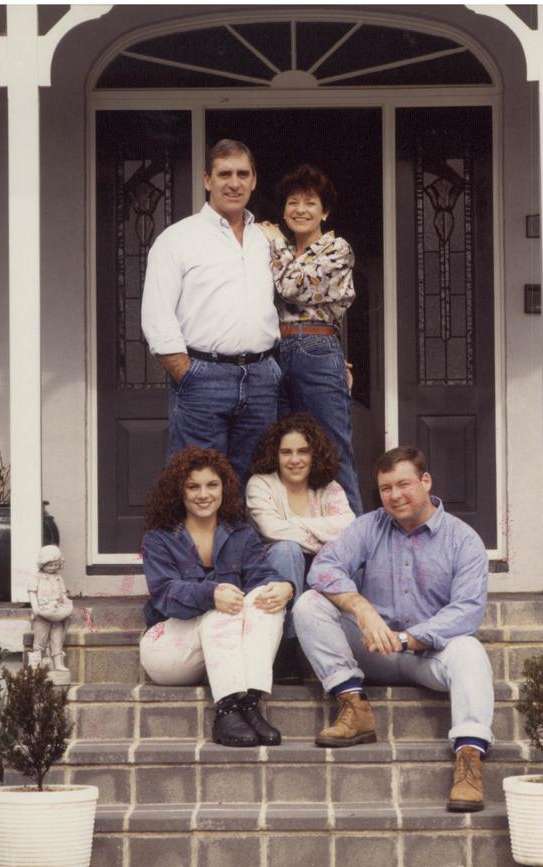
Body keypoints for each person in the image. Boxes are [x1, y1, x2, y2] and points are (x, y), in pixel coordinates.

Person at [293, 446, 494, 813]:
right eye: (386, 488)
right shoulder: (368, 526)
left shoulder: (463, 540)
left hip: (429, 655)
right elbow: (322, 569)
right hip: (374, 649)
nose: (395, 495)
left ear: (426, 481)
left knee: (470, 651)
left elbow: (466, 611)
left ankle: (468, 762)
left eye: (404, 484)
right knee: (310, 603)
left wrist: (408, 639)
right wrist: (362, 608)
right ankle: (354, 707)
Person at [141, 139, 281, 487]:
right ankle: (189, 545)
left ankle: (239, 545)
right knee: (195, 482)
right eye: (224, 174)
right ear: (207, 180)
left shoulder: (267, 239)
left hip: (262, 378)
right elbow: (156, 316)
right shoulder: (178, 239)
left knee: (255, 484)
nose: (234, 182)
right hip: (202, 376)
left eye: (242, 174)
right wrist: (186, 373)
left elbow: (295, 300)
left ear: (254, 180)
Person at [139, 447, 294, 747]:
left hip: (221, 648)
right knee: (219, 605)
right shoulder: (159, 538)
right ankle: (225, 711)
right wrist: (211, 594)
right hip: (170, 650)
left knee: (266, 598)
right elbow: (165, 594)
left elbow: (262, 575)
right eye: (193, 486)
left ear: (224, 488)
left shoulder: (240, 534)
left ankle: (248, 703)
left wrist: (285, 587)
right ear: (179, 492)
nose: (203, 494)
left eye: (212, 485)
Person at [259, 165, 363, 515]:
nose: (300, 210)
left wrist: (273, 241)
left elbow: (293, 286)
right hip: (274, 354)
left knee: (333, 451)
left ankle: (355, 555)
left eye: (309, 202)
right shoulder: (278, 251)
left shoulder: (336, 248)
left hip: (316, 350)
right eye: (292, 202)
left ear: (325, 211)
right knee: (283, 453)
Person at [246, 413, 355, 677]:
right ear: (276, 455)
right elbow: (270, 529)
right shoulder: (261, 484)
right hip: (275, 574)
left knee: (331, 557)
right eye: (286, 452)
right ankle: (289, 647)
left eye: (303, 451)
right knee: (287, 549)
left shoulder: (328, 488)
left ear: (314, 454)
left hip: (318, 571)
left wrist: (295, 525)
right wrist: (322, 534)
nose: (295, 460)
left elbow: (349, 528)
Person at [27, 544, 73, 681]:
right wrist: (35, 608)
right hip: (42, 612)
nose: (53, 567)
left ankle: (58, 663)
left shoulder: (59, 578)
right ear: (42, 563)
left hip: (57, 611)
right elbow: (32, 593)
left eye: (56, 565)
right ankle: (35, 665)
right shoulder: (36, 577)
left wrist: (66, 603)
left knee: (57, 639)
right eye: (50, 565)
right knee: (40, 640)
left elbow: (63, 594)